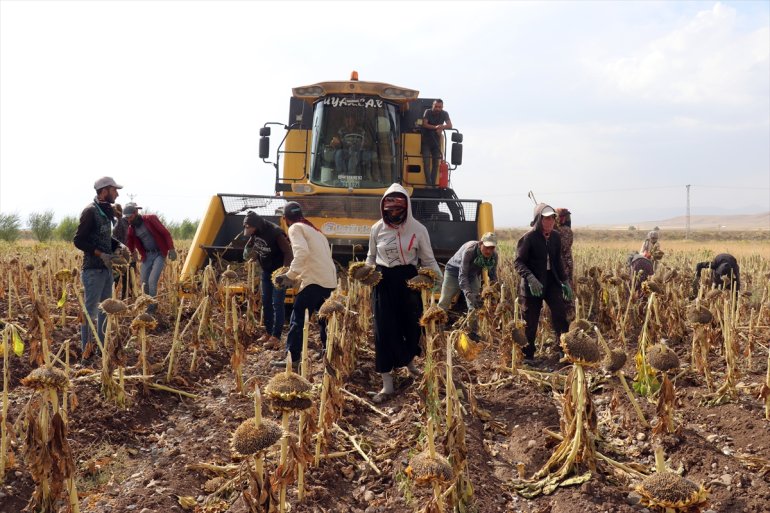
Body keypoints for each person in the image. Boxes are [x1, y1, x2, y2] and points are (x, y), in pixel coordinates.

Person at [366, 183, 441, 402]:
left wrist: (436, 283)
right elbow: (371, 257)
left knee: (412, 326)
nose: (394, 214)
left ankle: (408, 362)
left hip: (409, 280)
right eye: (390, 211)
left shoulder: (418, 230)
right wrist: (366, 271)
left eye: (399, 210)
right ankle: (386, 385)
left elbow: (428, 260)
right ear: (384, 209)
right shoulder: (377, 229)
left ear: (406, 208)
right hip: (382, 281)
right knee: (384, 330)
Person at [271, 202, 337, 369]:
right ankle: (328, 354)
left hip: (314, 281)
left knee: (298, 319)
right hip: (329, 281)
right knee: (324, 319)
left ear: (285, 218)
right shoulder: (316, 231)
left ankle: (292, 359)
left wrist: (290, 275)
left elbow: (302, 253)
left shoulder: (295, 228)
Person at [73, 176, 125, 354]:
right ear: (104, 191)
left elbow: (103, 237)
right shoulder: (90, 212)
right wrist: (100, 254)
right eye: (114, 190)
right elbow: (79, 240)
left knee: (105, 310)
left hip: (106, 269)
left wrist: (118, 246)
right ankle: (86, 350)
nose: (117, 194)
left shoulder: (106, 211)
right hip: (93, 270)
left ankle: (102, 350)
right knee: (90, 312)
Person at [514, 203, 572, 360]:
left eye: (552, 218)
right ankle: (528, 355)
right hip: (532, 285)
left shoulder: (555, 237)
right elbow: (518, 262)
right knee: (530, 321)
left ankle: (564, 350)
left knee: (560, 314)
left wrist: (565, 281)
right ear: (539, 219)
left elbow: (557, 261)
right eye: (546, 219)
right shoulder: (528, 238)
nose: (550, 222)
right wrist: (531, 278)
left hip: (551, 281)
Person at [242, 210, 293, 348]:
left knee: (277, 303)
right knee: (266, 302)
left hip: (278, 273)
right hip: (266, 271)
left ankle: (276, 336)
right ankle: (268, 332)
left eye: (249, 228)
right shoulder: (255, 233)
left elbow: (288, 252)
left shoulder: (275, 232)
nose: (249, 232)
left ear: (256, 224)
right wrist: (252, 255)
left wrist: (285, 271)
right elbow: (254, 248)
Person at [438, 232, 498, 331]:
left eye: (492, 248)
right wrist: (469, 294)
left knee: (474, 305)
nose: (489, 251)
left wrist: (494, 292)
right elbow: (462, 276)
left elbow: (493, 275)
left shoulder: (494, 256)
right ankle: (438, 328)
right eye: (487, 247)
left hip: (472, 275)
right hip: (453, 272)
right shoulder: (469, 251)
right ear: (480, 244)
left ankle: (473, 331)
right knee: (445, 300)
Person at [124, 202, 177, 313]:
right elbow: (130, 242)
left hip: (159, 254)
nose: (129, 220)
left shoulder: (150, 219)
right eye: (127, 218)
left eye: (131, 217)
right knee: (144, 282)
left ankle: (151, 309)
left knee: (152, 281)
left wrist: (171, 249)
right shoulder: (131, 229)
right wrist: (132, 253)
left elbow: (165, 233)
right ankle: (147, 304)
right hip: (147, 255)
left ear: (136, 213)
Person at [421, 99, 452, 186]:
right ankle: (429, 183)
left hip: (436, 142)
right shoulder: (427, 112)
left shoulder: (444, 113)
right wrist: (436, 127)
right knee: (426, 163)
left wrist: (442, 127)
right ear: (432, 106)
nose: (438, 109)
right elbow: (424, 124)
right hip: (426, 141)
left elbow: (450, 125)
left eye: (440, 107)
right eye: (436, 106)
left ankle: (433, 184)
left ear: (442, 107)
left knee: (436, 164)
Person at [555, 208, 575, 321]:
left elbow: (563, 245)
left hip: (564, 264)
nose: (564, 219)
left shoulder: (565, 231)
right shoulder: (558, 230)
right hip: (562, 264)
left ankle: (567, 317)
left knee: (565, 290)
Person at [111, 203, 133, 300]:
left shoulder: (123, 223)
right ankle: (118, 298)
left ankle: (124, 298)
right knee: (121, 278)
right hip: (121, 253)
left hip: (121, 254)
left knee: (124, 278)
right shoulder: (122, 223)